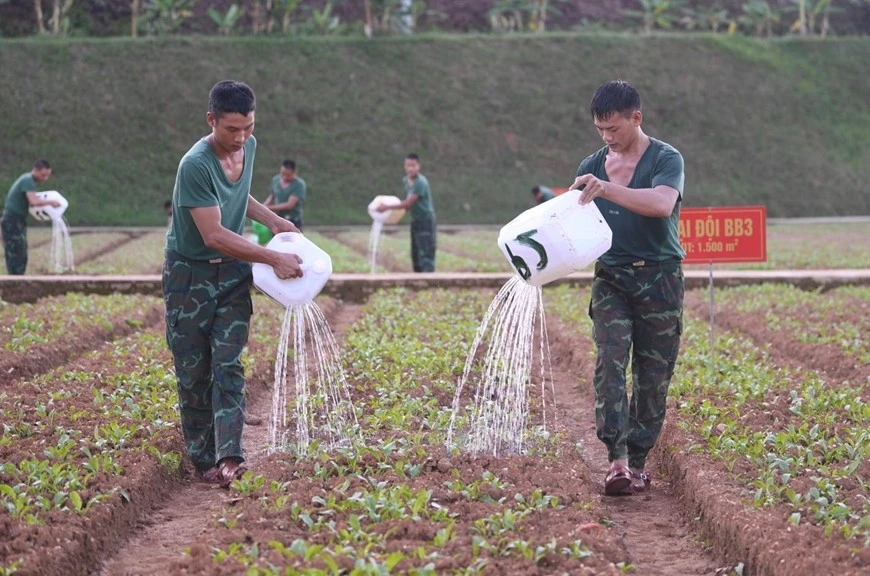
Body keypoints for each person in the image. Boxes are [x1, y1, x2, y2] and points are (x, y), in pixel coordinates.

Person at [163, 80, 303, 487]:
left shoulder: (249, 148)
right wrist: (274, 256)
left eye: (248, 127)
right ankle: (203, 458)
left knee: (228, 364)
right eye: (231, 130)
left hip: (233, 273)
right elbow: (216, 234)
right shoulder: (195, 164)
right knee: (194, 371)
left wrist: (274, 221)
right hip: (191, 275)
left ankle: (229, 457)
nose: (241, 137)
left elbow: (238, 196)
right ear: (211, 120)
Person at [568, 80, 685, 496]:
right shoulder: (591, 164)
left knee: (653, 375)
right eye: (600, 130)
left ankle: (637, 462)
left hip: (660, 278)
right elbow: (572, 225)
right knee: (611, 362)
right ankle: (615, 460)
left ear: (636, 118)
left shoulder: (666, 158)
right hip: (612, 277)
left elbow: (660, 205)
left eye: (614, 129)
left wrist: (608, 190)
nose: (607, 138)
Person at [376, 153, 436, 272]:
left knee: (425, 251)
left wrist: (387, 207)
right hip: (415, 219)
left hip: (425, 219)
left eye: (413, 165)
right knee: (416, 252)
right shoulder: (406, 181)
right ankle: (418, 279)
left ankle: (428, 280)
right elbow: (407, 206)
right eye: (408, 165)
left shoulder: (421, 182)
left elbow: (408, 203)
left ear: (419, 166)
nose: (410, 168)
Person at [1, 159, 58, 275]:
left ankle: (18, 277)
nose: (44, 178)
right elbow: (33, 201)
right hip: (13, 220)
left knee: (20, 250)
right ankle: (14, 279)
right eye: (43, 175)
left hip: (18, 219)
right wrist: (51, 202)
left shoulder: (28, 180)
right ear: (36, 170)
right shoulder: (28, 180)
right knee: (16, 251)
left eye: (47, 176)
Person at [263, 159, 306, 232]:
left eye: (288, 175)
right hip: (277, 218)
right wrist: (263, 206)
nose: (285, 177)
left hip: (293, 220)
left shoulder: (299, 185)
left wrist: (269, 208)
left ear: (294, 172)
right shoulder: (276, 180)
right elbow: (272, 196)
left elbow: (289, 205)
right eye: (283, 174)